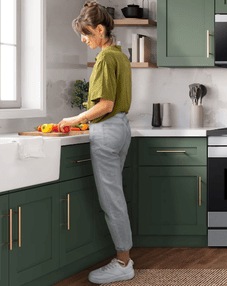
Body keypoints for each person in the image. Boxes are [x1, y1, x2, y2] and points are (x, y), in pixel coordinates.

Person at [59, 1, 134, 284]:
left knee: (111, 200)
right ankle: (124, 257)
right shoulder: (120, 54)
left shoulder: (104, 58)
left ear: (100, 29)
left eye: (87, 33)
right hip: (121, 128)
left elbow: (105, 104)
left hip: (106, 130)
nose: (83, 39)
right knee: (115, 198)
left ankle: (123, 262)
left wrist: (75, 119)